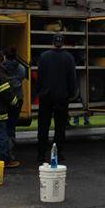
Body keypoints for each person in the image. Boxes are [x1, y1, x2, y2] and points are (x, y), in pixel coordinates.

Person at [36, 33, 77, 163]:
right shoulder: (69, 57)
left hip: (46, 95)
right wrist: (71, 93)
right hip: (62, 96)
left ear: (52, 42)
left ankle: (41, 154)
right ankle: (58, 153)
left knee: (43, 125)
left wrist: (40, 91)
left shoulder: (44, 56)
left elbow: (40, 76)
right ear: (63, 43)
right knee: (60, 126)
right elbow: (72, 77)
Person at [0, 46, 26, 168]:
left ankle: (1, 153)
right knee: (11, 126)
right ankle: (10, 154)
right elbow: (22, 78)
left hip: (4, 100)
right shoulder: (21, 68)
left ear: (4, 56)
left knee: (1, 126)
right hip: (17, 100)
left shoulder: (1, 68)